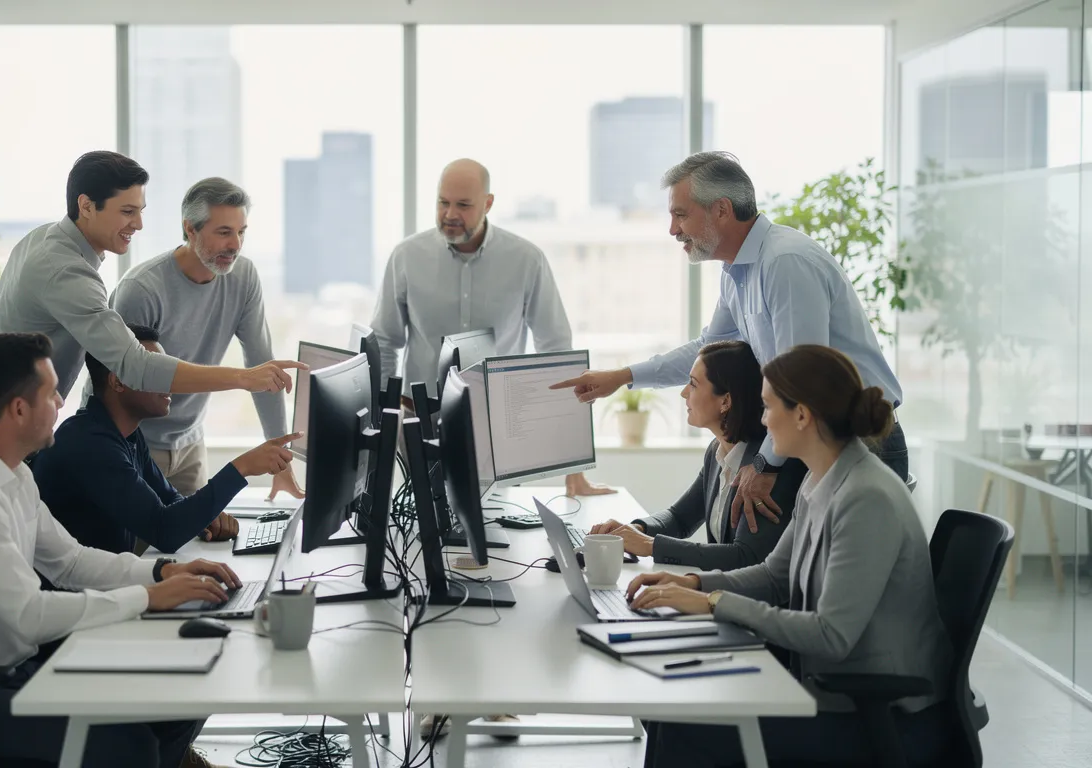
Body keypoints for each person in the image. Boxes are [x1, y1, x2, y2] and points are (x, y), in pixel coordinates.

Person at [0, 332, 240, 768]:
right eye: (52, 392)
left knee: (177, 696)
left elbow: (69, 561)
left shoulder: (11, 472)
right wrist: (146, 598)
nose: (60, 402)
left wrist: (160, 573)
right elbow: (29, 616)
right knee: (132, 747)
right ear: (19, 409)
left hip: (9, 670)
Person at [624, 345, 952, 767]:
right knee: (670, 705)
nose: (761, 420)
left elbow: (832, 635)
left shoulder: (866, 497)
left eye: (767, 406)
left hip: (878, 715)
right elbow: (773, 576)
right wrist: (692, 584)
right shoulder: (820, 480)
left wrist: (712, 603)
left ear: (802, 415)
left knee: (682, 725)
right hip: (828, 689)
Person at [551, 151, 907, 532]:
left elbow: (804, 381)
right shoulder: (736, 272)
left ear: (721, 209)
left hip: (861, 442)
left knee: (806, 580)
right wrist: (622, 376)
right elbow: (707, 350)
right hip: (817, 439)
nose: (673, 230)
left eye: (681, 214)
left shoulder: (785, 263)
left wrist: (765, 463)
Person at [0, 151, 305, 439]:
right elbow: (135, 366)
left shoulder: (48, 240)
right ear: (86, 206)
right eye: (127, 212)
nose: (139, 224)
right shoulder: (66, 270)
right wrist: (243, 378)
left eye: (140, 211)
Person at [372, 157, 612, 499]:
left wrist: (573, 470)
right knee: (420, 533)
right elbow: (384, 342)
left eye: (463, 205)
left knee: (496, 534)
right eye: (443, 202)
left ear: (488, 203)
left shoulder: (526, 260)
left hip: (497, 429)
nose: (450, 214)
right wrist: (380, 428)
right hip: (420, 424)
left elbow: (556, 352)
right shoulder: (406, 257)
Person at [111, 177, 303, 503]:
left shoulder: (243, 277)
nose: (236, 245)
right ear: (190, 229)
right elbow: (133, 382)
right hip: (134, 444)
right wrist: (242, 380)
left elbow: (262, 366)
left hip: (189, 445)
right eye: (224, 232)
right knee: (142, 552)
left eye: (241, 232)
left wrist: (279, 454)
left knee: (199, 544)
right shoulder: (142, 289)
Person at [32, 324, 299, 554]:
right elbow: (164, 531)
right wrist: (242, 467)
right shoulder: (88, 444)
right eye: (156, 372)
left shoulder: (126, 433)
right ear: (117, 382)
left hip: (104, 587)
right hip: (77, 600)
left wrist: (205, 519)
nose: (170, 383)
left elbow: (172, 502)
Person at [588, 341, 804, 568]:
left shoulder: (767, 469)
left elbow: (746, 556)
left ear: (726, 401)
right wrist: (634, 529)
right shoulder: (716, 452)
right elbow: (679, 517)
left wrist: (651, 546)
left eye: (693, 384)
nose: (683, 393)